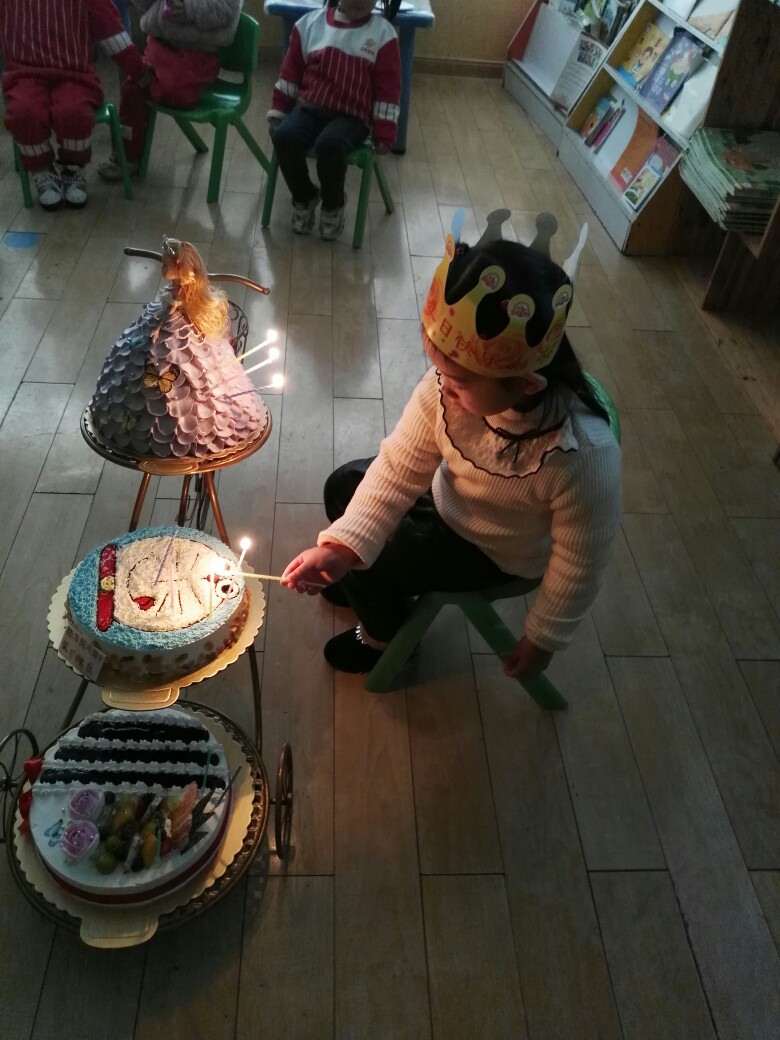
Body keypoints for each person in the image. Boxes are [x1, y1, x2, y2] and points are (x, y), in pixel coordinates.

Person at [280, 209, 622, 682]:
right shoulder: (449, 388)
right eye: (439, 369)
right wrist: (343, 548)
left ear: (526, 384)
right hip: (448, 499)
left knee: (376, 564)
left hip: (495, 551)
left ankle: (384, 637)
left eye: (458, 380)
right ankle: (357, 575)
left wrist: (543, 637)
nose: (442, 385)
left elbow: (580, 560)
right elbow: (398, 467)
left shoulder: (578, 456)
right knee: (343, 486)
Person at [267, 0, 402, 241]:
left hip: (353, 117)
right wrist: (279, 110)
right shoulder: (310, 24)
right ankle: (305, 196)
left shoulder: (384, 34)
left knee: (329, 145)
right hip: (310, 108)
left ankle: (333, 204)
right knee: (283, 138)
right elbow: (290, 72)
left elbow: (388, 88)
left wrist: (384, 130)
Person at [0, 0, 145, 210]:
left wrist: (138, 69)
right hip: (23, 75)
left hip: (74, 73)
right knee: (24, 113)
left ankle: (72, 168)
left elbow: (109, 28)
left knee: (74, 112)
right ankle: (42, 169)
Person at [98, 0, 242, 182]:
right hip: (161, 48)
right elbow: (144, 5)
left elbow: (226, 9)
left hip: (198, 54)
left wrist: (189, 9)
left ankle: (155, 85)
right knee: (131, 90)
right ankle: (126, 156)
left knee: (170, 89)